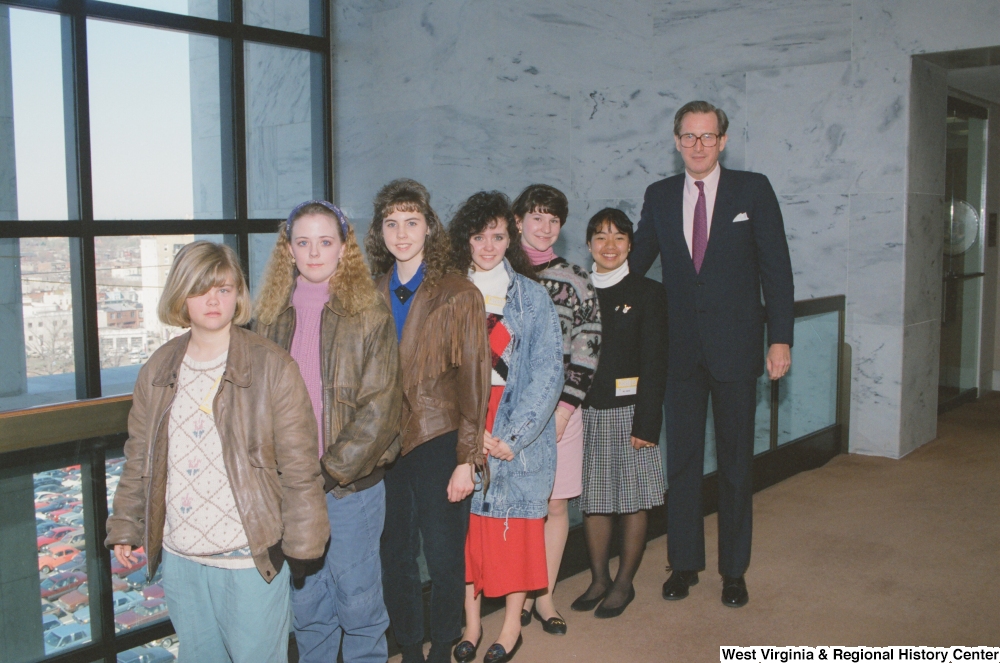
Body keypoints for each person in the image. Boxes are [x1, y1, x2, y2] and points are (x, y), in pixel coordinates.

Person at [105, 241, 329, 663]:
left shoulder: (272, 366)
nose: (213, 300)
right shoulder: (158, 368)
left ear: (238, 296)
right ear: (180, 295)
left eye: (224, 289)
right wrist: (125, 524)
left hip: (249, 557)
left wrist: (303, 543)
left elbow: (301, 468)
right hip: (181, 557)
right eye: (201, 288)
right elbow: (141, 456)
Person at [630, 100, 795, 608]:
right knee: (679, 462)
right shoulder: (659, 195)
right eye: (688, 136)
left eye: (707, 137)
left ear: (722, 141)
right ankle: (683, 564)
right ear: (676, 140)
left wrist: (780, 338)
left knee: (735, 464)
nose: (697, 146)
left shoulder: (753, 189)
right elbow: (633, 265)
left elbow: (777, 269)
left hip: (736, 348)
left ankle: (733, 571)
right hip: (678, 352)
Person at [253, 201, 402, 663]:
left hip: (348, 489)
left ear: (344, 248)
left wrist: (324, 474)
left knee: (359, 608)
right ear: (289, 250)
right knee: (309, 609)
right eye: (303, 242)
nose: (314, 253)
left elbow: (380, 412)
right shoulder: (269, 315)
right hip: (291, 490)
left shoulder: (369, 312)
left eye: (325, 241)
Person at [364, 179, 491, 663]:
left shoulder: (459, 292)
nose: (401, 233)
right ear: (379, 231)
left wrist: (468, 458)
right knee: (394, 559)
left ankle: (442, 649)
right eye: (391, 223)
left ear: (429, 228)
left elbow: (475, 383)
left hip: (440, 442)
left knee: (443, 559)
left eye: (411, 222)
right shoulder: (371, 293)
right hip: (385, 446)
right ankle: (411, 650)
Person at [448, 191, 563, 663]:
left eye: (498, 235)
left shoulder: (532, 296)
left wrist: (511, 438)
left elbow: (548, 373)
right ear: (466, 240)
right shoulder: (451, 291)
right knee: (469, 531)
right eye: (480, 236)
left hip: (518, 427)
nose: (489, 245)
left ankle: (512, 626)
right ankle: (472, 626)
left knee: (515, 528)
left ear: (510, 237)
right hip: (465, 422)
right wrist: (470, 435)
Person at [570, 208, 667, 619]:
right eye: (601, 238)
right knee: (594, 501)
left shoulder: (648, 292)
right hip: (583, 412)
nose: (610, 246)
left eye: (619, 238)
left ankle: (624, 583)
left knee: (630, 500)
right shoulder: (577, 290)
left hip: (630, 414)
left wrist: (647, 423)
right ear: (589, 244)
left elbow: (656, 363)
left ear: (630, 244)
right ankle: (598, 578)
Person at [512, 184, 601, 634]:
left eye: (554, 220)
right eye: (537, 217)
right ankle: (518, 594)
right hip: (509, 413)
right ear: (518, 221)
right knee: (521, 505)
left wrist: (566, 408)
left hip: (564, 410)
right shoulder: (500, 272)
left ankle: (543, 595)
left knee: (556, 505)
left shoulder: (576, 277)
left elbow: (588, 347)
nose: (545, 228)